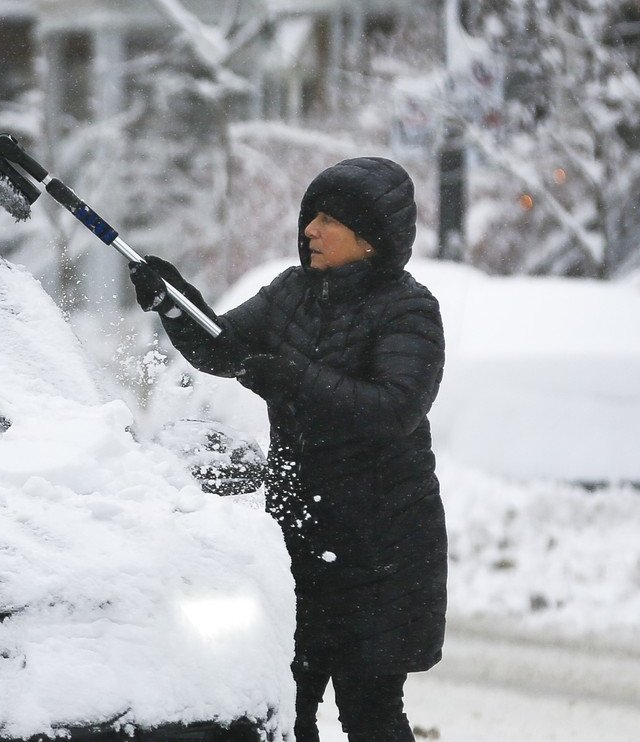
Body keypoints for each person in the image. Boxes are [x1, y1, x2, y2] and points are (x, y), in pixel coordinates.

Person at [129, 157, 446, 742]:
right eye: (312, 216)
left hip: (382, 550)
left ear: (371, 238)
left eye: (328, 219)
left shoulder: (409, 310)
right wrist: (174, 303)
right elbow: (223, 350)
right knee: (284, 707)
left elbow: (395, 409)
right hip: (299, 540)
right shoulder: (292, 294)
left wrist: (292, 378)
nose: (309, 230)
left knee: (369, 713)